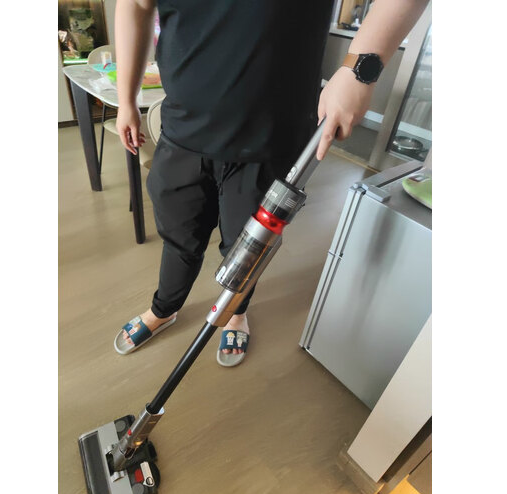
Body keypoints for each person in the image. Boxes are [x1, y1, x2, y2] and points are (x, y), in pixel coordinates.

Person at [113, 0, 429, 365]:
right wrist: (126, 100)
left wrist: (360, 68)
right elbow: (134, 5)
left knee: (247, 247)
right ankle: (164, 308)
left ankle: (236, 313)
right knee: (179, 237)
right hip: (183, 130)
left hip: (270, 138)